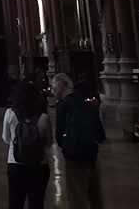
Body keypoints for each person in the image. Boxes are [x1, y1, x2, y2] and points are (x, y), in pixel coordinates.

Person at [53, 73, 106, 209]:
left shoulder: (63, 105)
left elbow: (59, 135)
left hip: (74, 156)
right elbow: (99, 130)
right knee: (95, 195)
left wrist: (66, 147)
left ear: (61, 86)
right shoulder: (85, 100)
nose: (53, 91)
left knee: (77, 195)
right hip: (91, 152)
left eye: (54, 88)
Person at [1, 80, 52, 209]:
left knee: (15, 202)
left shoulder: (10, 113)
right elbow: (49, 143)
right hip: (39, 165)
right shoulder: (43, 117)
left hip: (15, 163)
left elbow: (6, 138)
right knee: (36, 202)